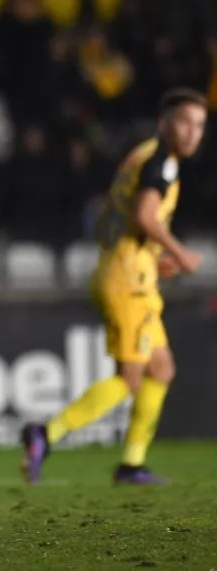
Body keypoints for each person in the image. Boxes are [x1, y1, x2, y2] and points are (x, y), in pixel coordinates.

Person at [21, 88, 207, 485]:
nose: (192, 133)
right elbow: (144, 215)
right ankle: (46, 434)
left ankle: (132, 464)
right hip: (128, 279)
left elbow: (117, 218)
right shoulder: (162, 162)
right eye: (185, 123)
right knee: (130, 378)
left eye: (199, 126)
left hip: (127, 266)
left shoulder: (140, 156)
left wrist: (154, 258)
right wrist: (181, 252)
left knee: (162, 367)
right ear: (165, 124)